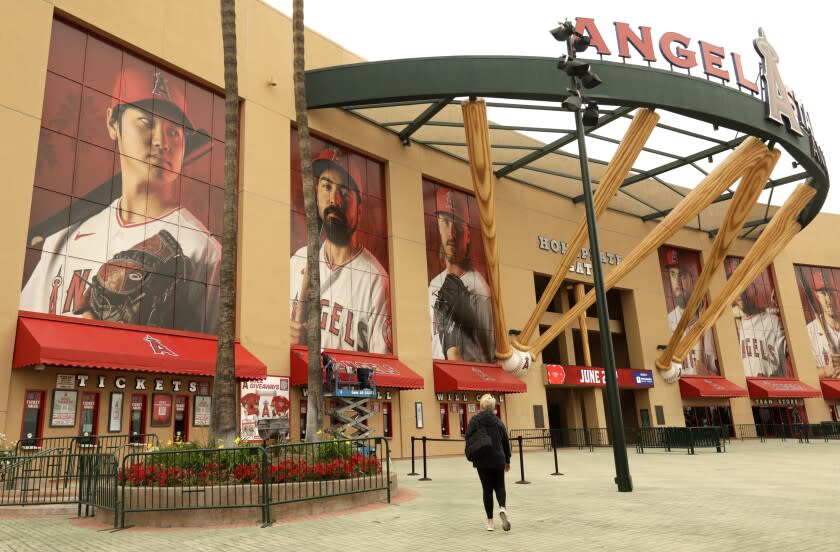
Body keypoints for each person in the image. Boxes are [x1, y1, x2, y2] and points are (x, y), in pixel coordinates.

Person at [21, 66, 220, 333]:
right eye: (147, 123)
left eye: (175, 131)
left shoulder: (202, 249)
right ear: (113, 124)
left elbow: (213, 360)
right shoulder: (62, 239)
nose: (162, 141)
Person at [289, 148, 392, 353]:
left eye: (344, 192)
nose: (334, 200)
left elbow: (382, 368)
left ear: (359, 210)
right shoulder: (298, 260)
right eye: (327, 187)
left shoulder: (376, 281)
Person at [429, 187, 495, 362]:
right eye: (445, 222)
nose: (451, 232)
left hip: (468, 380)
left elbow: (489, 354)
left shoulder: (479, 290)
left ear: (468, 235)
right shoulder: (434, 283)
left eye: (457, 225)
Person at [661, 249, 718, 375]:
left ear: (692, 279)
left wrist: (707, 374)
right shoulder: (667, 323)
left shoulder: (710, 322)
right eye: (673, 274)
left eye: (682, 275)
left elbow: (722, 371)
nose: (677, 282)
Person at [465, 394, 511, 532]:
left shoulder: (475, 420)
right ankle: (502, 508)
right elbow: (505, 441)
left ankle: (490, 522)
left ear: (481, 406)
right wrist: (507, 460)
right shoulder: (498, 422)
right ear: (493, 407)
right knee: (500, 486)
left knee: (487, 489)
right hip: (498, 458)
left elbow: (467, 436)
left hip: (482, 459)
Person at [732, 283, 786, 377]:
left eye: (743, 291)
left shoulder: (773, 321)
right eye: (735, 292)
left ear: (754, 290)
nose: (739, 296)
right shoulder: (739, 325)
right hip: (750, 386)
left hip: (773, 386)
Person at [805, 270, 840, 378]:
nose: (828, 300)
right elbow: (804, 373)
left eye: (831, 293)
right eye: (823, 294)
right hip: (826, 393)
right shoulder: (810, 331)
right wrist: (825, 371)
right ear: (817, 296)